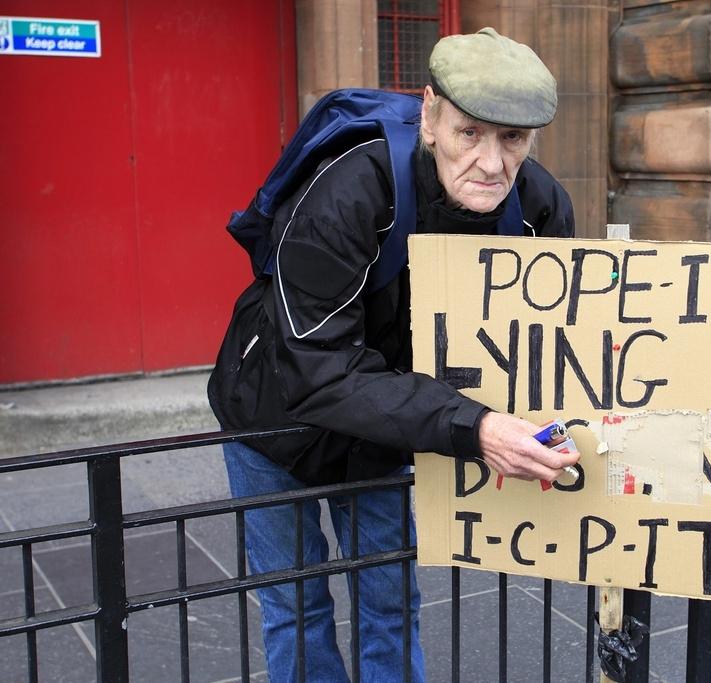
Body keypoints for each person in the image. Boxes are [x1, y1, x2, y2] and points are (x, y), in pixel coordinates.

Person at [207, 27, 580, 683]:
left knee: (388, 602)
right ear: (430, 116)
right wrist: (474, 425)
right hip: (269, 417)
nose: (492, 162)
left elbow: (546, 343)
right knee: (295, 605)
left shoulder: (538, 209)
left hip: (388, 427)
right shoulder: (350, 191)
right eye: (470, 133)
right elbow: (318, 369)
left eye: (512, 139)